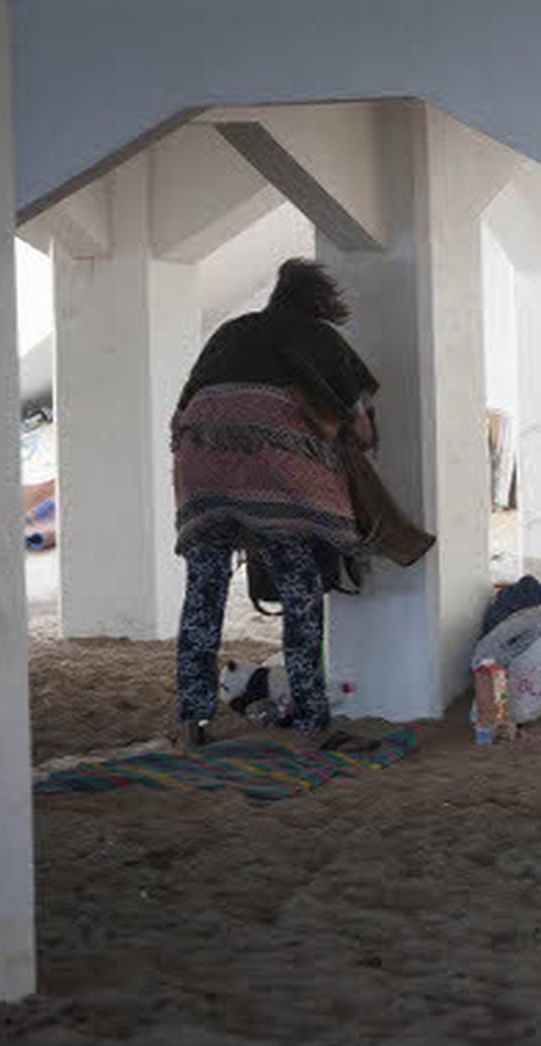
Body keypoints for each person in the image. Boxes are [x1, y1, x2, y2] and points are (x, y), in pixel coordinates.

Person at [171, 259, 378, 748]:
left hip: (201, 470)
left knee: (203, 595)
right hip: (271, 474)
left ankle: (189, 726)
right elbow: (363, 432)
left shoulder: (232, 331)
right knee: (302, 594)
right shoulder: (320, 338)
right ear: (318, 302)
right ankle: (310, 727)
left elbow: (183, 409)